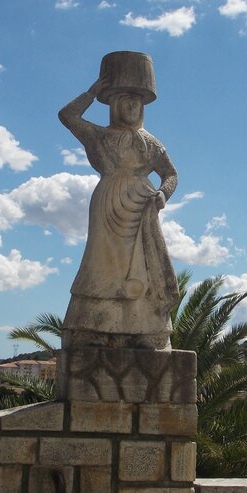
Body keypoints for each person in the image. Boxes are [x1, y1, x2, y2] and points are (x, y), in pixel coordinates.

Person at [58, 71, 179, 350]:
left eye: (137, 103)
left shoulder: (152, 143)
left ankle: (148, 330)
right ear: (114, 105)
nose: (132, 107)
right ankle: (94, 328)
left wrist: (163, 194)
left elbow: (171, 174)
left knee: (146, 268)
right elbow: (67, 116)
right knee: (100, 266)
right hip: (107, 204)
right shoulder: (99, 136)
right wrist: (90, 94)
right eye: (126, 101)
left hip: (142, 207)